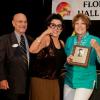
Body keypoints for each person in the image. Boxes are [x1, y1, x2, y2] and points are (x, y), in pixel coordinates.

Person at [29, 13, 66, 100]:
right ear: (48, 26)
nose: (56, 28)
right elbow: (32, 50)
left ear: (62, 28)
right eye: (53, 25)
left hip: (54, 82)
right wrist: (44, 34)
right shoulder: (46, 39)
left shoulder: (62, 43)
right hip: (40, 81)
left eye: (59, 26)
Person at [64, 13, 100, 100]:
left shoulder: (95, 39)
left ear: (87, 25)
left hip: (86, 80)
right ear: (73, 26)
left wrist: (97, 47)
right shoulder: (69, 40)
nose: (79, 26)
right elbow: (67, 60)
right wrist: (68, 60)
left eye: (82, 23)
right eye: (77, 23)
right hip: (69, 79)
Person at [0, 13, 33, 100]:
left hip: (28, 86)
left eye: (25, 22)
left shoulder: (30, 40)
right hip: (11, 85)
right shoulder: (4, 39)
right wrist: (2, 79)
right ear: (13, 23)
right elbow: (0, 61)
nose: (23, 24)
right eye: (20, 21)